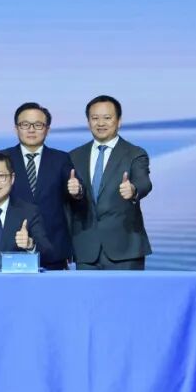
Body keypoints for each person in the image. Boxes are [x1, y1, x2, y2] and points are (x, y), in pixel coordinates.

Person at [67, 95, 153, 270]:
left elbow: (144, 182)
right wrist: (75, 193)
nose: (100, 123)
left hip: (125, 249)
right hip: (85, 249)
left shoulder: (135, 153)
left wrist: (133, 190)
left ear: (119, 121)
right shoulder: (74, 156)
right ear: (88, 122)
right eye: (95, 118)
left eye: (107, 118)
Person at [5, 102, 74, 270]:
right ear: (16, 128)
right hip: (10, 248)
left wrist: (77, 192)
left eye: (38, 125)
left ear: (47, 129)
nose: (31, 130)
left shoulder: (61, 159)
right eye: (25, 124)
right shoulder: (2, 159)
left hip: (54, 248)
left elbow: (75, 198)